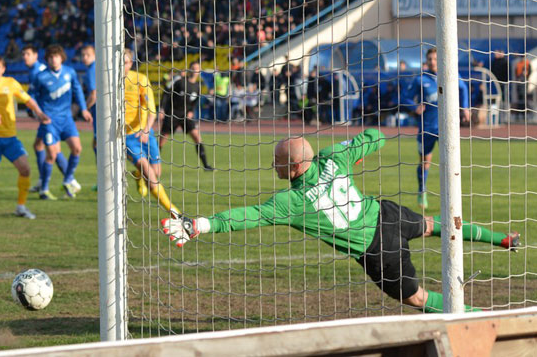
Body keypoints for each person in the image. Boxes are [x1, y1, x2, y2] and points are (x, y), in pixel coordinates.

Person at [161, 129, 520, 313]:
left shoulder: (291, 201)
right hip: (385, 213)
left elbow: (247, 216)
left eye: (277, 161)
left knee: (416, 298)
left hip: (377, 250)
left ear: (295, 167)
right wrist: (354, 154)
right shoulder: (334, 157)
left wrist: (199, 225)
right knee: (434, 225)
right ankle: (501, 238)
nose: (273, 165)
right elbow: (375, 137)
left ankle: (476, 313)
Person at [0, 55, 50, 219]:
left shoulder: (11, 83)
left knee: (25, 170)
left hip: (10, 138)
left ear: (3, 69)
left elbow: (28, 100)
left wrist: (40, 113)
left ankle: (21, 207)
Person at [401, 48, 470, 209]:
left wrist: (465, 107)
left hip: (447, 128)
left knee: (450, 162)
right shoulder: (420, 79)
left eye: (435, 58)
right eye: (430, 59)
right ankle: (422, 190)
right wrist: (414, 106)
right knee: (425, 162)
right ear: (426, 61)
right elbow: (404, 96)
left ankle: (450, 197)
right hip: (427, 127)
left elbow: (463, 88)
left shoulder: (449, 75)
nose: (432, 61)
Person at [124, 48, 180, 217]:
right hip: (126, 137)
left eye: (125, 62)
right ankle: (173, 211)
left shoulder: (140, 80)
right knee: (149, 172)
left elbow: (151, 110)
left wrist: (146, 130)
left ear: (131, 63)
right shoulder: (110, 83)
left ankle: (137, 175)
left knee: (156, 173)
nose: (121, 66)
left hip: (145, 132)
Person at [32, 45, 92, 199]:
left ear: (61, 58)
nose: (54, 59)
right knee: (51, 154)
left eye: (56, 56)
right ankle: (44, 189)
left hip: (66, 119)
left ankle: (67, 179)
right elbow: (32, 97)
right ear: (47, 59)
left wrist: (84, 109)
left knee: (77, 148)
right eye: (51, 57)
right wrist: (38, 113)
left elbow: (77, 91)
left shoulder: (69, 72)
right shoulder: (41, 76)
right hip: (49, 121)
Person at [23, 45, 67, 195]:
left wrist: (34, 110)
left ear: (36, 55)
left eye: (28, 54)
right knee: (40, 146)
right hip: (45, 114)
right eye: (24, 54)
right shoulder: (35, 70)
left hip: (48, 116)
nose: (25, 57)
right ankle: (58, 179)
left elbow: (36, 93)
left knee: (52, 149)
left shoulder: (39, 71)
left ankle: (68, 179)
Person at [159, 61, 213, 171]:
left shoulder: (197, 86)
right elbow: (166, 92)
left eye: (197, 68)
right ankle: (152, 162)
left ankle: (206, 166)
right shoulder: (180, 82)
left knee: (197, 137)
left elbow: (195, 101)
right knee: (162, 140)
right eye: (193, 68)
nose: (195, 70)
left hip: (185, 116)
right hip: (172, 114)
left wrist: (191, 111)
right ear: (189, 69)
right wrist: (162, 109)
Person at [79, 45, 97, 190]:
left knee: (99, 145)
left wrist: (84, 108)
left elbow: (94, 94)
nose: (85, 58)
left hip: (99, 111)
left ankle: (103, 180)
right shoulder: (97, 67)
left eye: (88, 55)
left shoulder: (91, 70)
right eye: (83, 55)